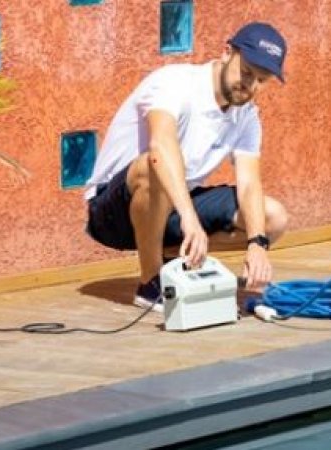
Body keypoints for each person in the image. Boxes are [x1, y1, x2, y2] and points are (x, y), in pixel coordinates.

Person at [84, 22, 289, 313]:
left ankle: (171, 254)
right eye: (246, 72)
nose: (250, 85)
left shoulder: (247, 116)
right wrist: (189, 218)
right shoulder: (176, 83)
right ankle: (151, 283)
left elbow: (249, 184)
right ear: (226, 52)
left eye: (261, 79)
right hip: (114, 210)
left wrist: (257, 243)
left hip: (173, 206)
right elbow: (160, 148)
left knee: (273, 218)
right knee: (153, 165)